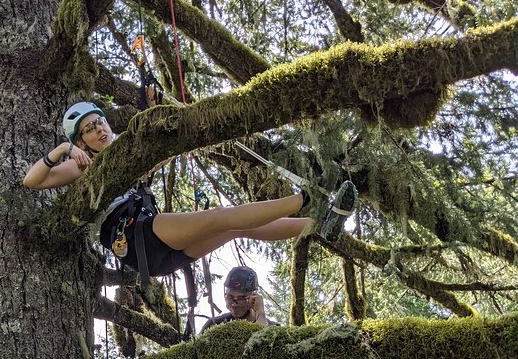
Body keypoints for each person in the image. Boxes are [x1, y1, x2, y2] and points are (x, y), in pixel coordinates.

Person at [23, 101, 357, 279]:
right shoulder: (80, 166)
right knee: (217, 217)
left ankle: (318, 226)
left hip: (156, 255)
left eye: (100, 122)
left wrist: (152, 107)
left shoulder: (124, 153)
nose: (99, 130)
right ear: (80, 141)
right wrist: (61, 151)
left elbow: (152, 140)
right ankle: (306, 201)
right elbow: (32, 181)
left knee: (236, 229)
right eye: (88, 129)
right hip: (137, 234)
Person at [200, 266, 278, 333]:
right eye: (230, 297)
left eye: (241, 298)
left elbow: (264, 341)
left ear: (253, 297)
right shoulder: (213, 325)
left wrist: (260, 312)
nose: (234, 304)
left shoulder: (274, 329)